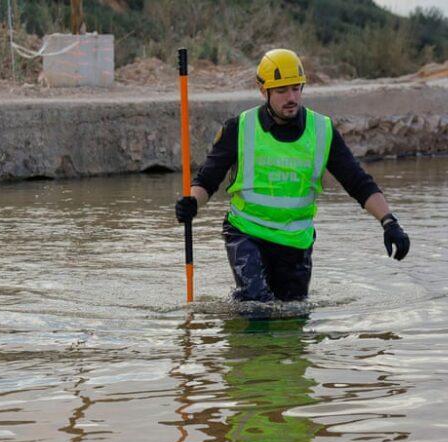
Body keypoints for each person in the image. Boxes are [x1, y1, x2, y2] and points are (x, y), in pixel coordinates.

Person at [175, 48, 410, 303]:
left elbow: (357, 182)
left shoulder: (322, 130)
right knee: (257, 304)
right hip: (246, 233)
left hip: (296, 242)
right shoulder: (239, 128)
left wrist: (389, 222)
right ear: (263, 90)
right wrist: (192, 202)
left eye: (296, 88)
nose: (292, 97)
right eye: (282, 90)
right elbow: (208, 179)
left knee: (292, 319)